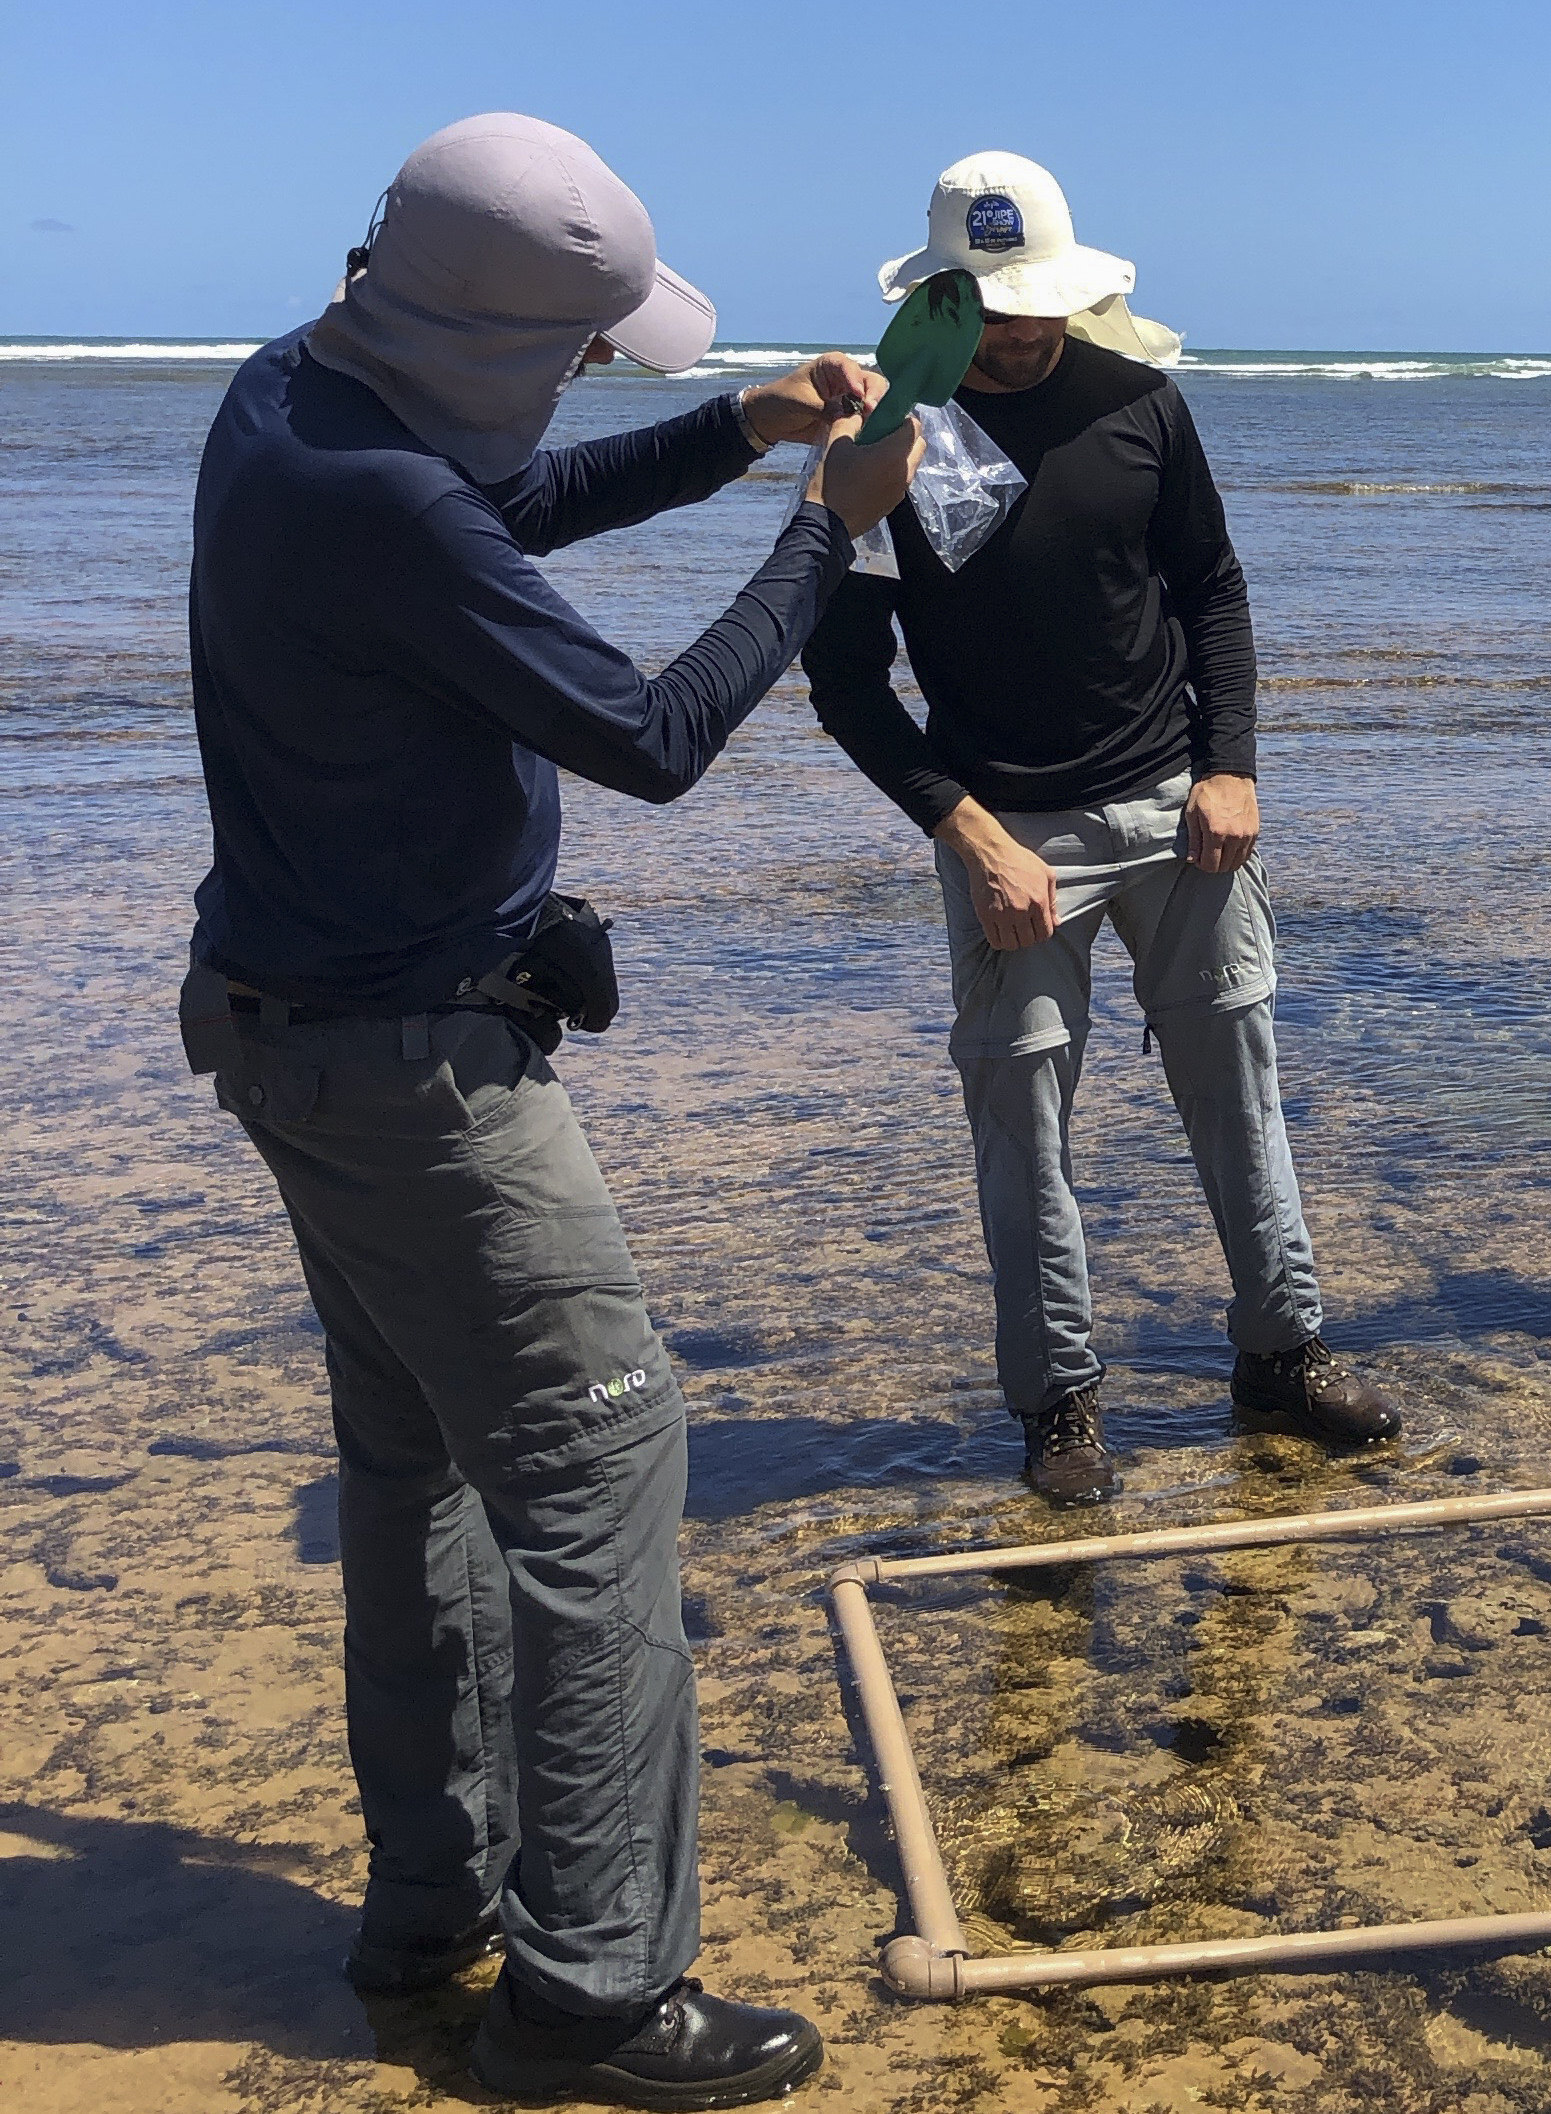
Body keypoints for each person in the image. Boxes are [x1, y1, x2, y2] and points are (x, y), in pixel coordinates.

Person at [178, 115, 919, 2107]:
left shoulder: (293, 391)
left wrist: (733, 430)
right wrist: (826, 525)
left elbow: (483, 515)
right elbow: (654, 737)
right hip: (420, 1079)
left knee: (416, 1475)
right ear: (489, 342)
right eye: (583, 353)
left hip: (291, 1037)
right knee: (602, 1481)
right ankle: (594, 1995)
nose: (597, 377)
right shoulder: (390, 509)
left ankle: (429, 1910)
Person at [802, 151, 1401, 1507]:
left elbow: (1214, 589)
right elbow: (844, 680)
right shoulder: (893, 434)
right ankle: (1061, 1399)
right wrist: (970, 834)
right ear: (944, 294)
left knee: (1242, 1098)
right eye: (994, 304)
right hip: (1009, 838)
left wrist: (1230, 766)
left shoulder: (1141, 402)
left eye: (1039, 303)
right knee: (1022, 1124)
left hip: (1176, 814)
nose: (1021, 330)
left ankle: (1282, 1354)